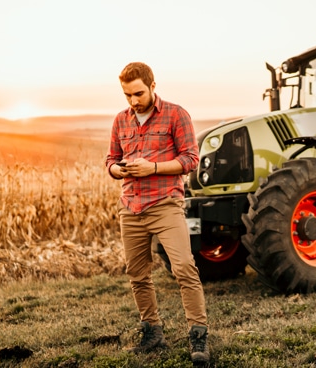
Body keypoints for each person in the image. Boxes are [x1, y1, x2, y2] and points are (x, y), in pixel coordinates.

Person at [105, 62, 209, 364]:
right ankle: (152, 333)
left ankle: (198, 337)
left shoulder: (176, 114)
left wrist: (152, 168)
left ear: (152, 86)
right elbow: (111, 158)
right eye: (127, 95)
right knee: (137, 274)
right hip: (131, 206)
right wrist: (116, 169)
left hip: (165, 204)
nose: (133, 101)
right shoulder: (120, 120)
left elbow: (190, 159)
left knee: (184, 268)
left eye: (138, 93)